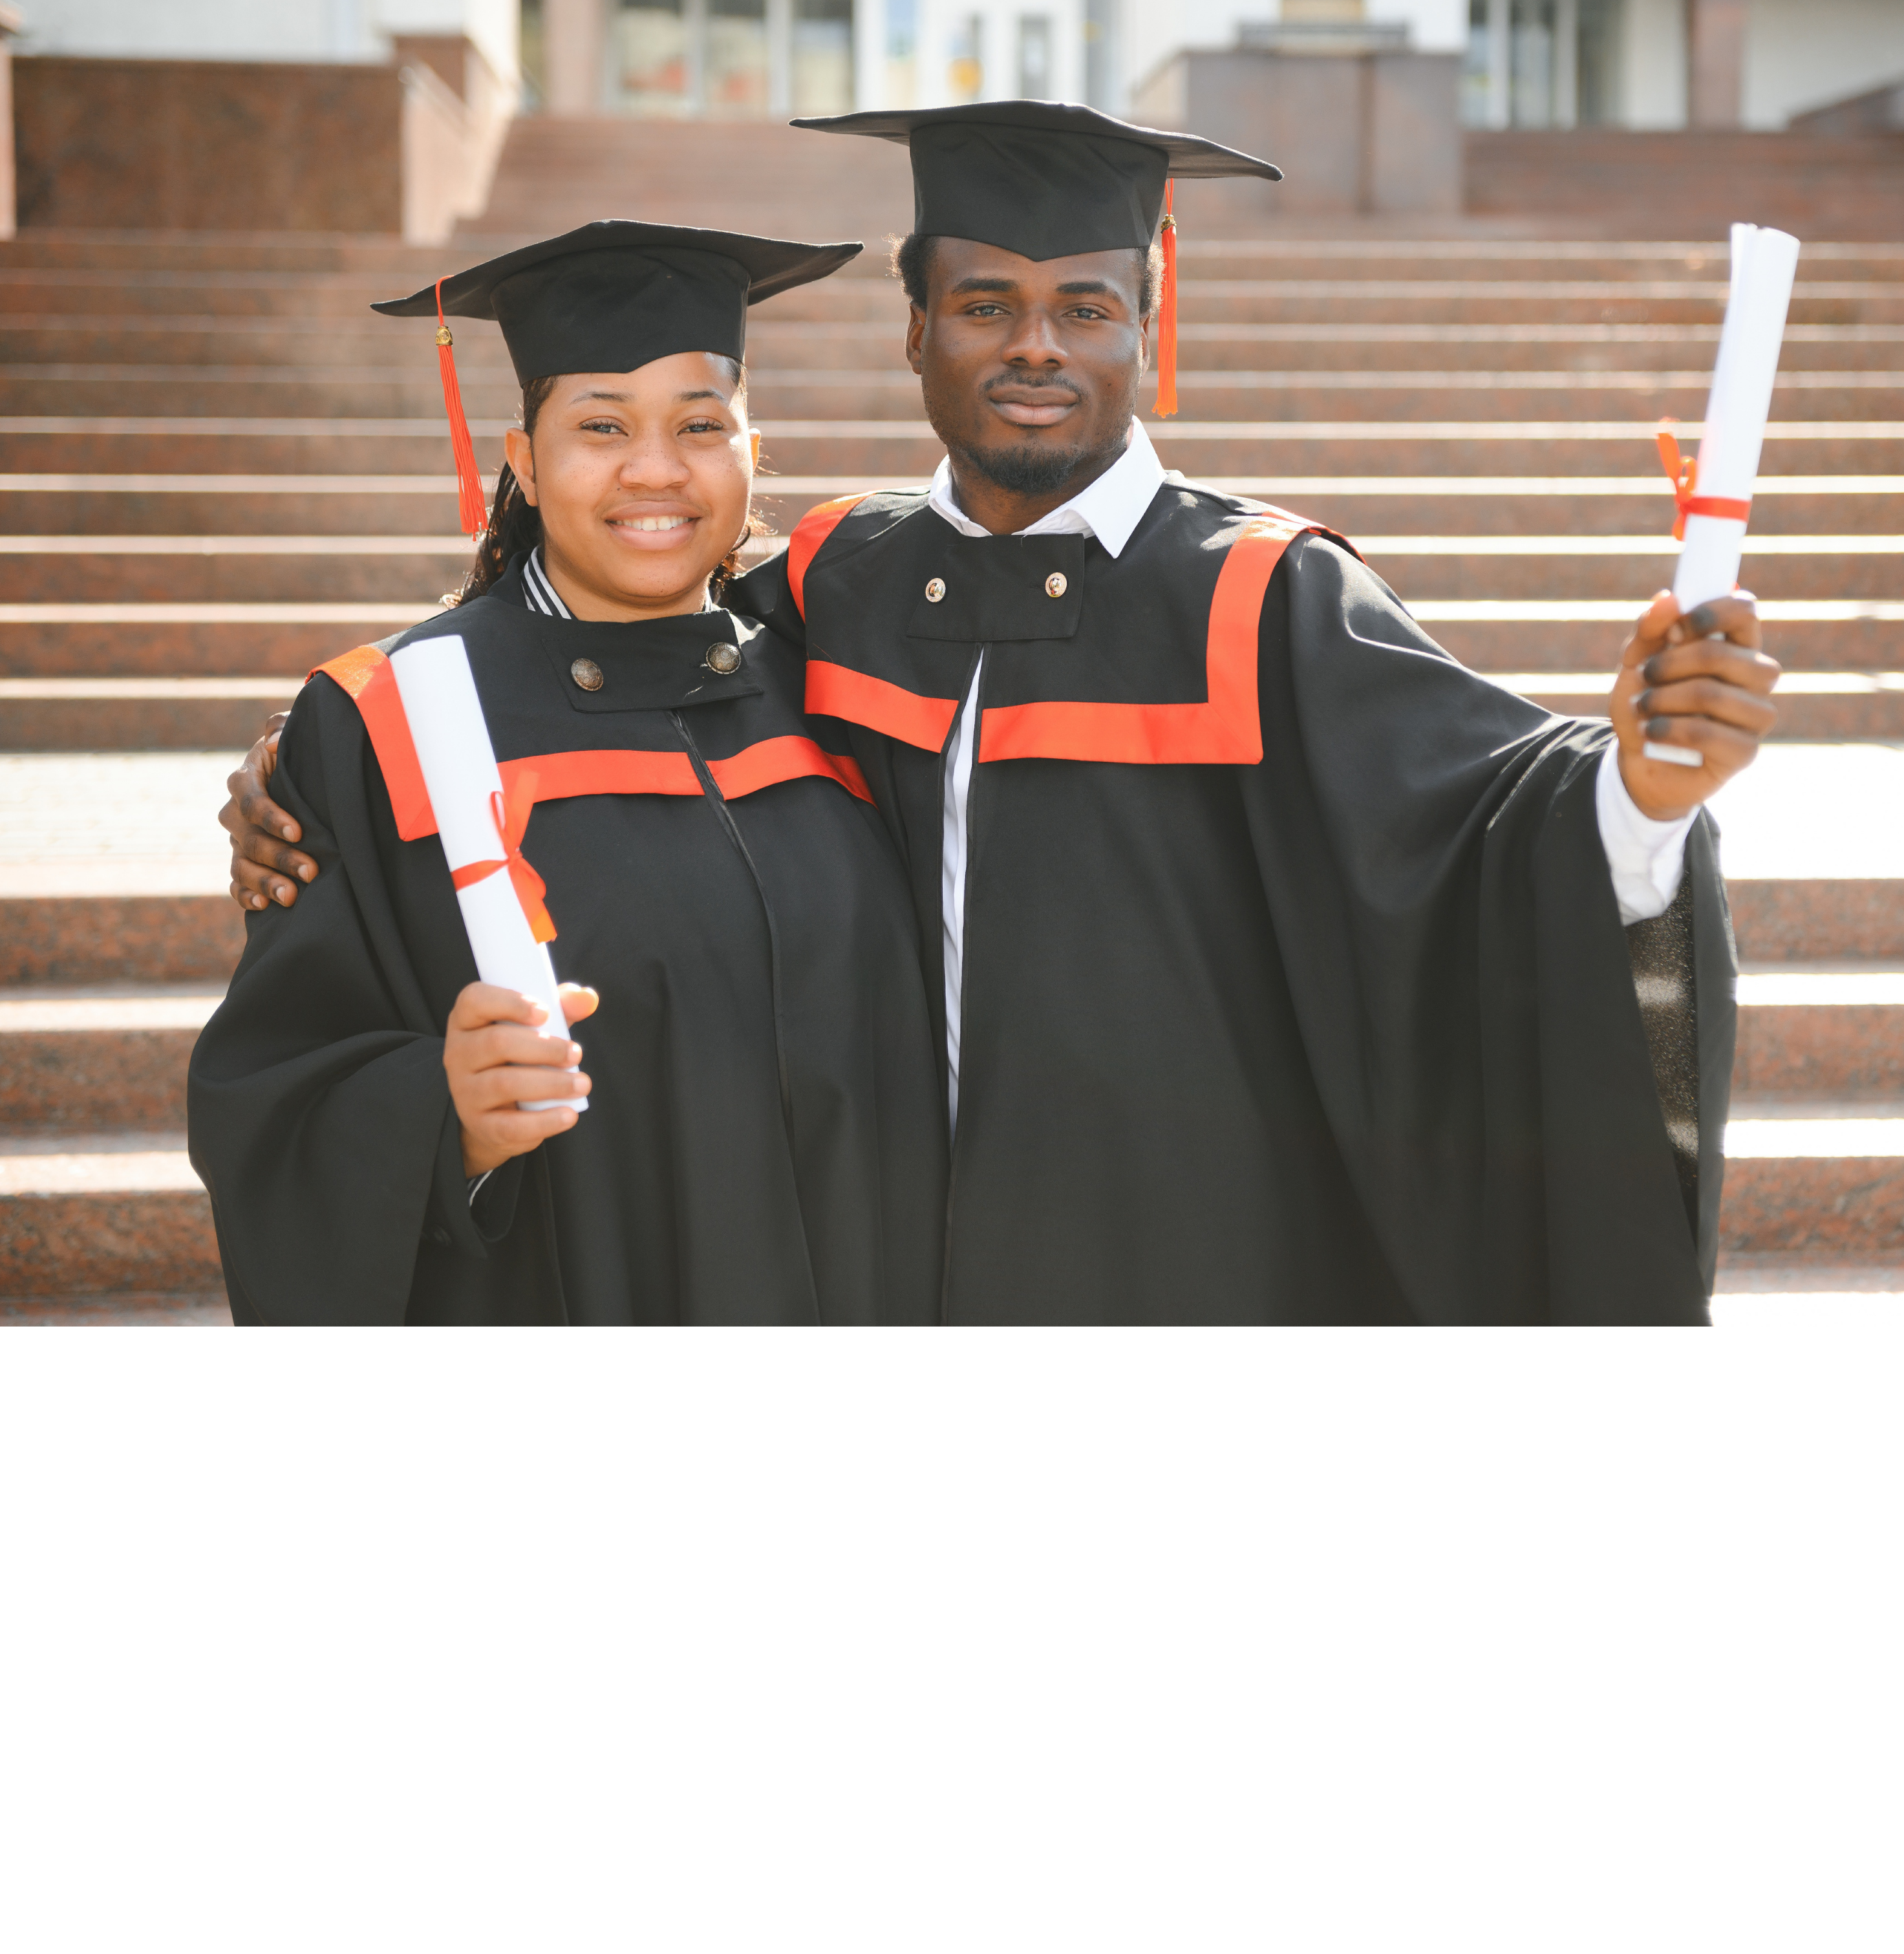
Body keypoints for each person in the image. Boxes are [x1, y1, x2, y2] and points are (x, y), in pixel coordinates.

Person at [223, 107, 1781, 1327]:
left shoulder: (1262, 597)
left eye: (1082, 305)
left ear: (1143, 326)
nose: (1034, 345)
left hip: (1182, 1273)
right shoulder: (837, 580)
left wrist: (1641, 794)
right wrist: (310, 787)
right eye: (983, 301)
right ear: (916, 333)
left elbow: (1492, 829)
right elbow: (602, 647)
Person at [189, 223, 947, 1326]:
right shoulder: (384, 723)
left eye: (701, 424)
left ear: (751, 448)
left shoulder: (837, 681)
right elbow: (272, 1099)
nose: (656, 468)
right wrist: (453, 1122)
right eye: (601, 425)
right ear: (524, 459)